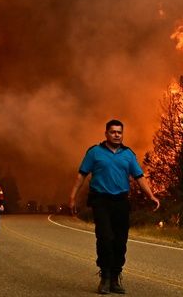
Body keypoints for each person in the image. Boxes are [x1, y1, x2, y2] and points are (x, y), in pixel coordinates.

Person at [70, 119, 160, 295]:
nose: (116, 135)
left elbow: (139, 177)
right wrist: (72, 197)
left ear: (122, 134)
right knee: (105, 238)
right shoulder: (94, 152)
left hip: (121, 201)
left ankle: (115, 278)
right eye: (113, 132)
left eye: (119, 132)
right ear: (106, 134)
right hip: (101, 201)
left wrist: (151, 196)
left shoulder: (128, 154)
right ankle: (104, 277)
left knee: (120, 241)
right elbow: (81, 176)